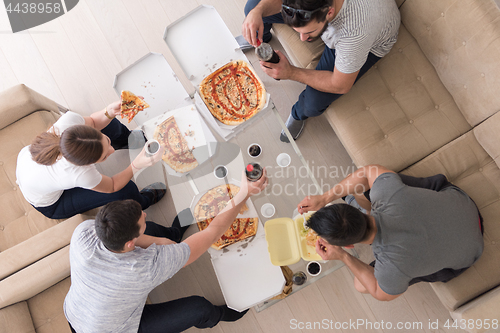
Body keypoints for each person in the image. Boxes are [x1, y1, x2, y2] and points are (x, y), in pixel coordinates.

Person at [64, 171, 268, 333]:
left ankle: (174, 233)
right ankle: (225, 313)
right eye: (141, 217)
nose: (144, 213)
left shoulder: (84, 232)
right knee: (199, 308)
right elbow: (212, 233)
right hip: (115, 329)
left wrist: (167, 243)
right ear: (128, 244)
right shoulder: (144, 269)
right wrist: (244, 193)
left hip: (78, 309)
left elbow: (137, 239)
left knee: (150, 230)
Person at [298, 165, 484, 301]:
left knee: (360, 284)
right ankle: (356, 200)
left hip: (472, 250)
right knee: (359, 183)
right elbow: (367, 172)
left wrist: (343, 257)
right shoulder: (388, 194)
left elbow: (381, 294)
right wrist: (325, 197)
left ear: (349, 245)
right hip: (464, 207)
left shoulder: (392, 267)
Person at [241, 0, 400, 142]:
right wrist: (258, 11)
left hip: (365, 41)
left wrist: (291, 72)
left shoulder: (355, 33)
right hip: (334, 23)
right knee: (253, 7)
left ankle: (298, 114)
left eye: (308, 32)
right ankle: (262, 35)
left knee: (313, 103)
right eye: (298, 30)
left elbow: (340, 84)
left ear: (329, 12)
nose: (302, 38)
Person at [16, 101, 166, 220]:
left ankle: (129, 140)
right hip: (52, 203)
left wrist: (108, 111)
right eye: (105, 156)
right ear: (86, 165)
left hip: (35, 174)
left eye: (107, 142)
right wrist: (136, 165)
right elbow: (112, 185)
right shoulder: (80, 174)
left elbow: (94, 122)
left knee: (110, 124)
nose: (111, 151)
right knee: (125, 190)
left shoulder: (69, 121)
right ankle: (144, 201)